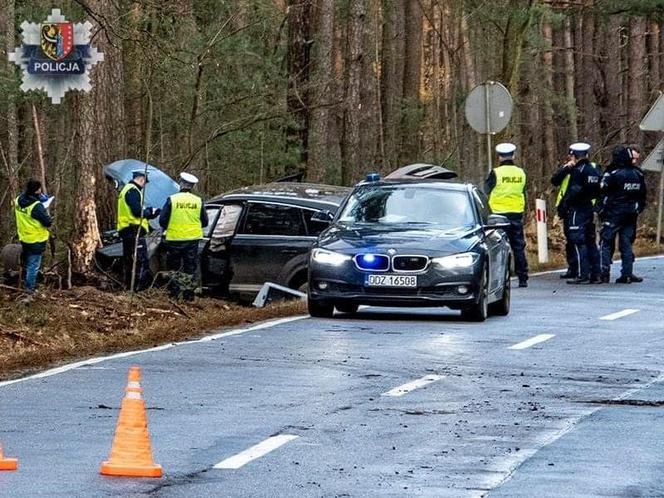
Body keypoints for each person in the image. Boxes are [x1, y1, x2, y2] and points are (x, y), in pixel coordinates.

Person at [553, 143, 601, 284]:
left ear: (574, 156)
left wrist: (564, 206)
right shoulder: (593, 170)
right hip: (588, 209)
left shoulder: (578, 171)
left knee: (578, 241)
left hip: (576, 210)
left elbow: (573, 191)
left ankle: (583, 274)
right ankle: (596, 274)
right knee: (590, 242)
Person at [597, 145, 646, 284]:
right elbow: (643, 195)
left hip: (614, 213)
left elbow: (603, 190)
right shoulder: (638, 174)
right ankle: (627, 273)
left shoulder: (613, 174)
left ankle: (604, 272)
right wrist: (637, 208)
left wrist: (602, 209)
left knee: (606, 242)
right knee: (626, 243)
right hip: (631, 214)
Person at [485, 142, 529, 287]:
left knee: (498, 248)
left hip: (498, 216)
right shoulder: (521, 173)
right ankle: (523, 278)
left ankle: (500, 278)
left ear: (499, 157)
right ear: (513, 156)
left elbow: (486, 190)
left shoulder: (495, 173)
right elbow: (523, 190)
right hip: (516, 214)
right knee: (518, 247)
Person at [159, 172, 208, 301]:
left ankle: (174, 295)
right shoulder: (198, 201)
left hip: (174, 239)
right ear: (192, 186)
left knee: (174, 268)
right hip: (192, 240)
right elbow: (205, 221)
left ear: (180, 184)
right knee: (189, 268)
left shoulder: (172, 199)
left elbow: (162, 220)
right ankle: (188, 295)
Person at [117, 170, 160, 291]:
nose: (144, 185)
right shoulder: (133, 191)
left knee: (129, 260)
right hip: (134, 229)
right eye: (144, 183)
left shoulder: (126, 189)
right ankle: (139, 289)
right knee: (141, 260)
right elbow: (137, 212)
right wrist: (150, 212)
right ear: (141, 179)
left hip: (127, 229)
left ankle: (128, 287)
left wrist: (149, 213)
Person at [14, 179, 52, 303]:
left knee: (27, 263)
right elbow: (48, 222)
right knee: (33, 266)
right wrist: (43, 208)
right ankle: (29, 291)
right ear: (36, 190)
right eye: (39, 189)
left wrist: (40, 198)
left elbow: (35, 199)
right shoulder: (36, 207)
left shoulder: (18, 200)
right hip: (36, 239)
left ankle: (25, 284)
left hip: (24, 237)